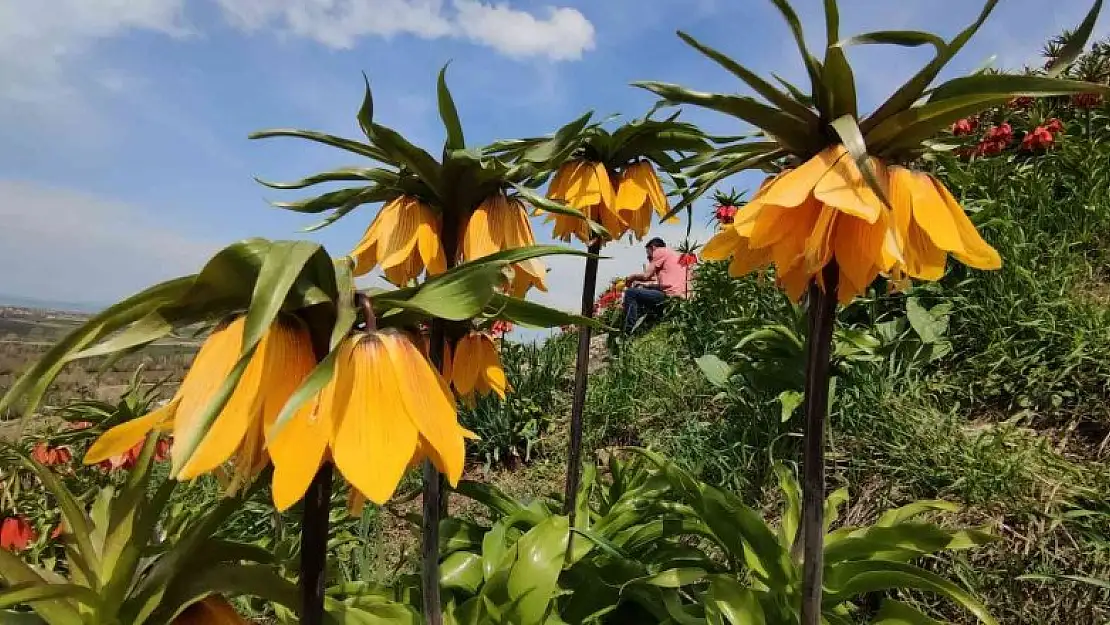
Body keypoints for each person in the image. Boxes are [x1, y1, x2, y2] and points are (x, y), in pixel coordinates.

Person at [620, 238, 689, 334]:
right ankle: (648, 325)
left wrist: (631, 278)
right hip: (682, 299)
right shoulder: (675, 255)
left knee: (631, 293)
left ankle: (628, 332)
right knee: (644, 290)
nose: (650, 260)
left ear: (653, 248)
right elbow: (666, 284)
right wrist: (645, 286)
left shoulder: (659, 251)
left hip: (670, 297)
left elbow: (646, 275)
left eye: (649, 257)